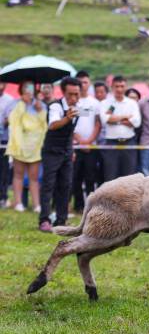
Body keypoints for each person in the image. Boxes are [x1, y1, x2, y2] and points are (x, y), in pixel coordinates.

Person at [39, 77, 82, 232]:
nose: (74, 98)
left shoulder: (79, 107)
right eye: (71, 94)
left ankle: (61, 221)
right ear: (63, 92)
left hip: (66, 151)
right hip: (51, 151)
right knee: (48, 185)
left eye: (77, 94)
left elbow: (71, 131)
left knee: (65, 186)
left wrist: (72, 150)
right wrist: (67, 118)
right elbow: (53, 125)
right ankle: (44, 220)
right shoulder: (55, 106)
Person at [6, 81, 47, 212]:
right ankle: (18, 202)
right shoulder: (16, 103)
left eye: (30, 87)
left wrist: (40, 110)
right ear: (21, 88)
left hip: (35, 146)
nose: (28, 90)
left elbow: (44, 125)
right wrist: (22, 105)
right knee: (18, 174)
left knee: (34, 177)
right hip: (19, 144)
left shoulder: (41, 105)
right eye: (25, 87)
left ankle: (36, 204)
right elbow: (10, 120)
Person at [99, 75, 141, 181]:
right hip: (111, 143)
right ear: (112, 87)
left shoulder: (132, 103)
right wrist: (125, 117)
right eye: (117, 86)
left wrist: (115, 120)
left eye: (122, 86)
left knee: (129, 177)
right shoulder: (105, 103)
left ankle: (127, 198)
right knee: (110, 176)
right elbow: (106, 119)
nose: (119, 89)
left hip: (129, 142)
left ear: (125, 87)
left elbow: (137, 122)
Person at [72, 70, 101, 213]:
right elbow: (70, 124)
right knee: (75, 177)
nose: (83, 85)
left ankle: (91, 207)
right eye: (80, 82)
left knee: (90, 178)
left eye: (85, 82)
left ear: (89, 84)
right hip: (76, 146)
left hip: (91, 146)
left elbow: (97, 124)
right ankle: (78, 206)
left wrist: (89, 141)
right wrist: (80, 141)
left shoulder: (94, 103)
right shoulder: (73, 102)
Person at [0, 82, 15, 208]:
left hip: (4, 140)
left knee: (3, 170)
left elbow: (11, 119)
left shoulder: (10, 100)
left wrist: (7, 120)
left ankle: (3, 197)